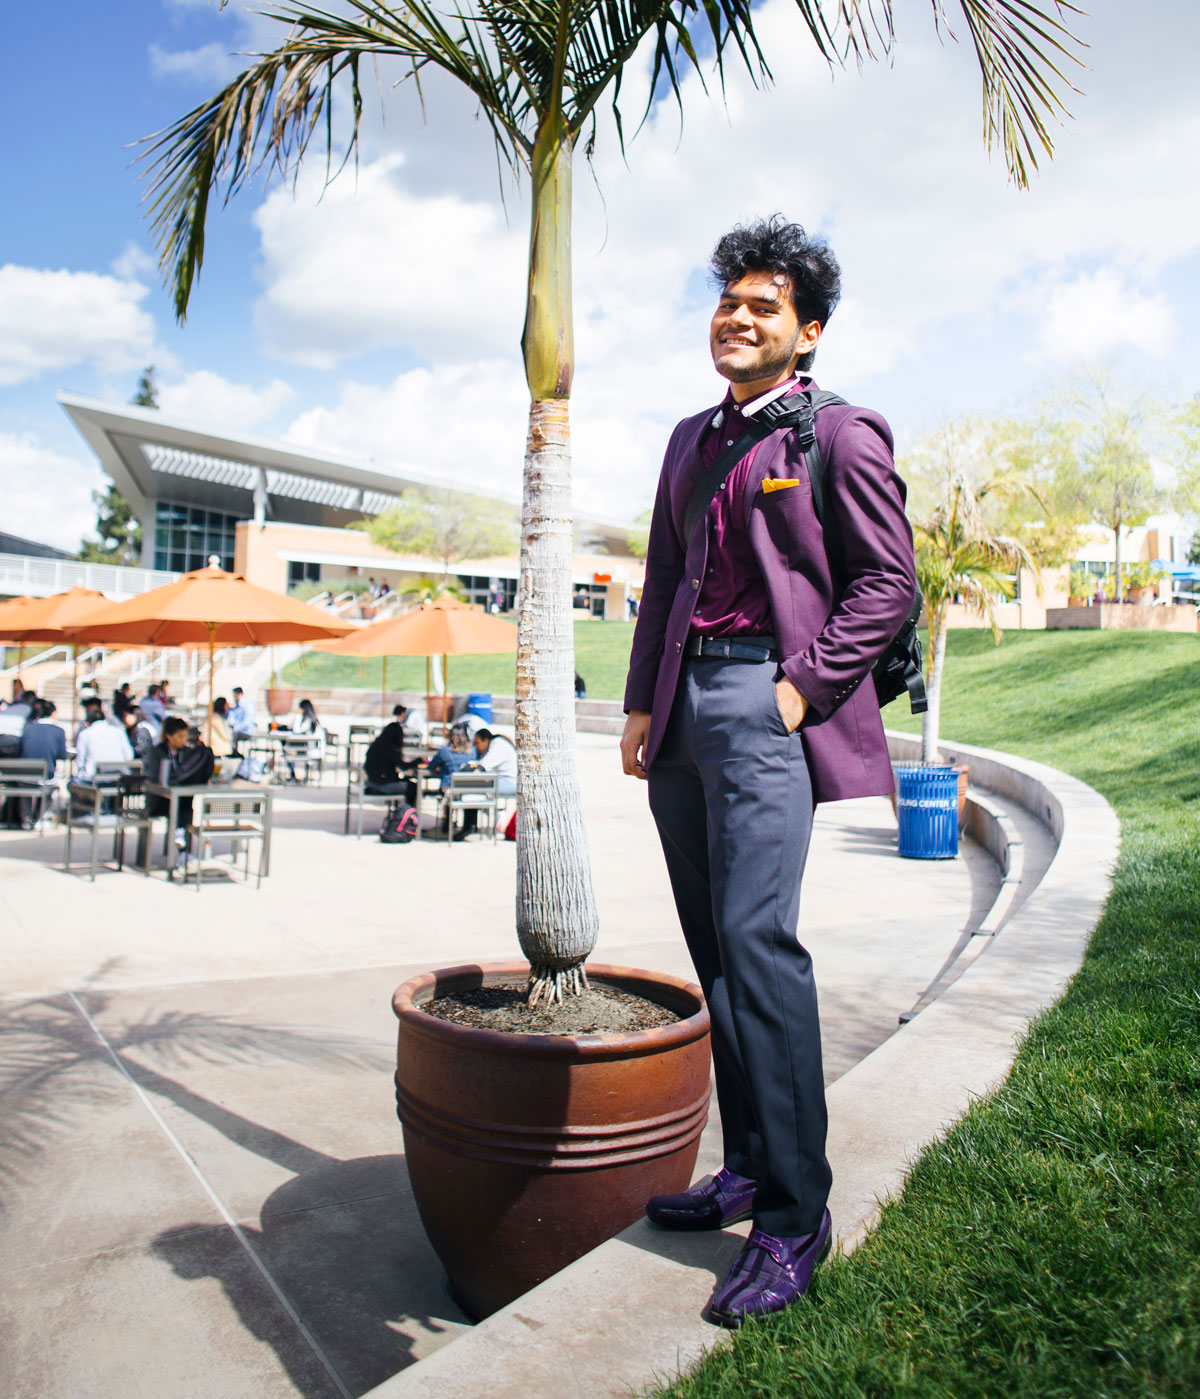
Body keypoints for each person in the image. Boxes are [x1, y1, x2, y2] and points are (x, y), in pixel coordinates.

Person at [620, 217, 917, 1328]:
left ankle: (795, 1216)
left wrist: (797, 691)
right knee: (713, 948)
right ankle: (745, 1164)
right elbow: (661, 575)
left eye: (763, 307)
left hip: (763, 702)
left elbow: (888, 586)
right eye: (727, 302)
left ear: (807, 332)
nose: (737, 319)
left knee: (759, 946)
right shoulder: (689, 439)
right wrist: (646, 702)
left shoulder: (839, 434)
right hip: (685, 715)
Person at [148, 716, 215, 867]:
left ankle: (181, 842)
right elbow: (154, 776)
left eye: (185, 736)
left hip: (180, 800)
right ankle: (182, 841)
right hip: (160, 800)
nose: (183, 740)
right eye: (180, 736)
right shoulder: (158, 752)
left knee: (185, 802)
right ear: (169, 736)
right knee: (184, 805)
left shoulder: (187, 753)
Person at [456, 727, 517, 837]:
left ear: (486, 740)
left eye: (477, 743)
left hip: (509, 783)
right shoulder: (497, 743)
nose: (476, 747)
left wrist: (467, 766)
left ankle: (470, 825)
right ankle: (471, 824)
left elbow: (483, 766)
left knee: (475, 788)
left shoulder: (498, 745)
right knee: (476, 788)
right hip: (503, 781)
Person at [363, 718, 417, 807]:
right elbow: (403, 766)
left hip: (372, 782)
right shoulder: (390, 747)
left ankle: (402, 812)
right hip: (381, 784)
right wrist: (419, 761)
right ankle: (407, 813)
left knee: (406, 783)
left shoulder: (378, 743)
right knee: (413, 787)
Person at [74, 711, 134, 783]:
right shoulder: (119, 731)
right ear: (105, 720)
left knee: (73, 783)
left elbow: (80, 761)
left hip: (94, 778)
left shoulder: (85, 734)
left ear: (88, 723)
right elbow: (129, 756)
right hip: (119, 776)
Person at [287, 698, 325, 781]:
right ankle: (292, 774)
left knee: (289, 750)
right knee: (290, 749)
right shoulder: (312, 720)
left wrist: (297, 715)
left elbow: (296, 730)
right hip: (312, 748)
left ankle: (292, 774)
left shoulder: (308, 721)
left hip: (313, 751)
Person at [122, 704, 157, 770]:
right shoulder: (130, 730)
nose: (124, 719)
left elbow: (139, 750)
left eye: (125, 716)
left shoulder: (143, 729)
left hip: (143, 766)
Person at [227, 687, 258, 754]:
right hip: (238, 729)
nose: (234, 698)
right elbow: (231, 718)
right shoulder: (236, 705)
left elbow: (247, 723)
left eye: (235, 696)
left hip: (246, 731)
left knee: (232, 735)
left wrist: (235, 728)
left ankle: (233, 753)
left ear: (239, 694)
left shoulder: (248, 705)